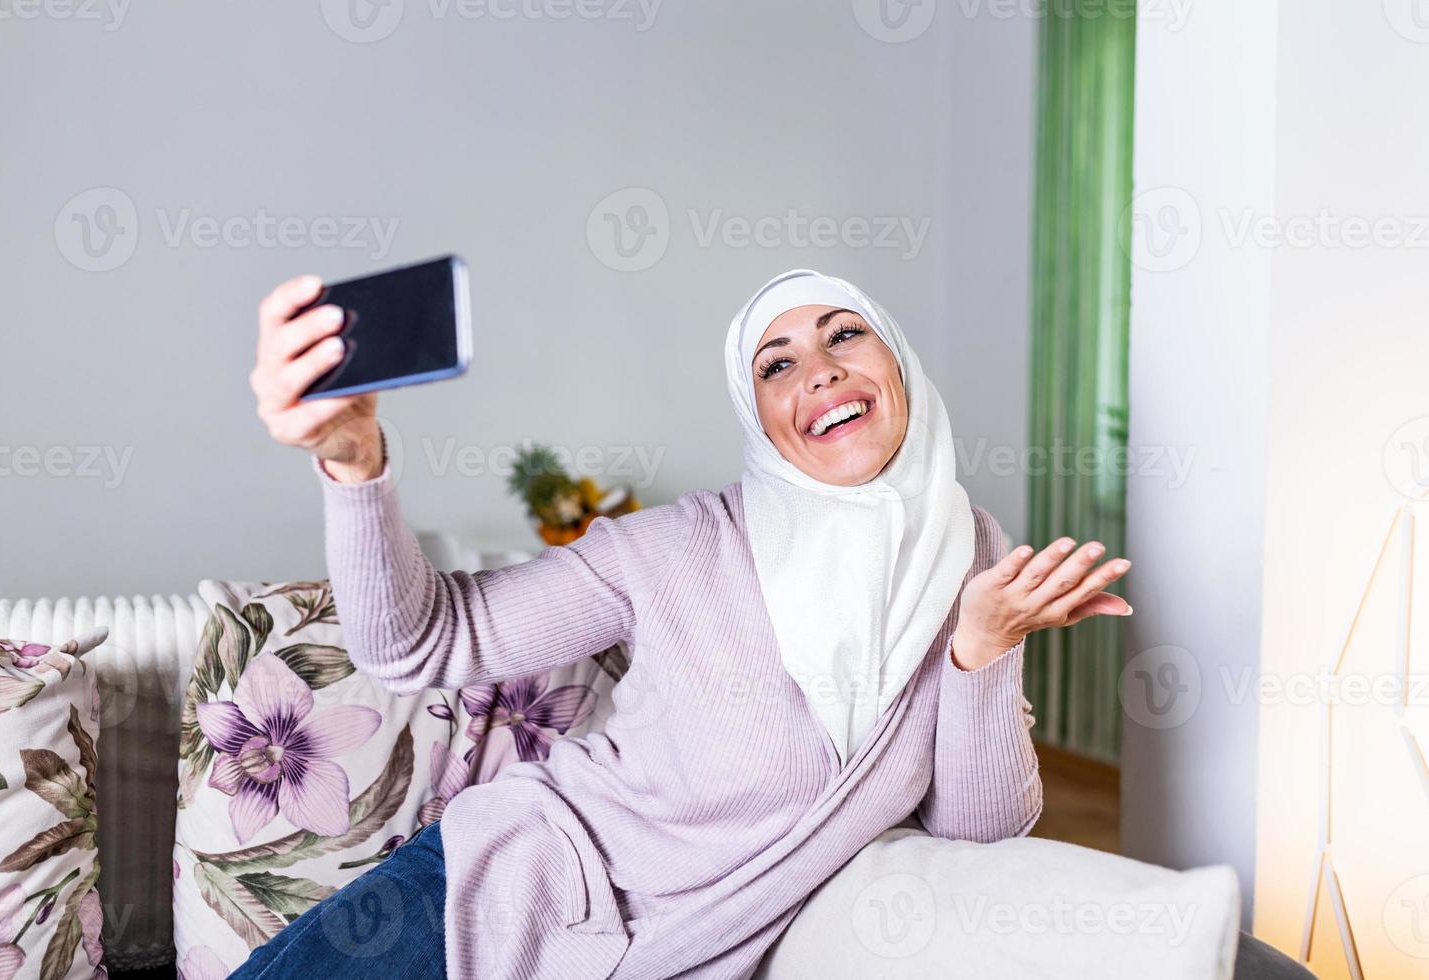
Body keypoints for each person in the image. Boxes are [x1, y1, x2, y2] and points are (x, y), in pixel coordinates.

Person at [236, 268, 1135, 978]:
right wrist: (354, 463)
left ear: (897, 364)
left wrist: (982, 649)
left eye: (845, 334)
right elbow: (419, 643)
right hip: (495, 894)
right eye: (775, 363)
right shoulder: (680, 545)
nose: (818, 368)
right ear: (760, 419)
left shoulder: (971, 552)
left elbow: (979, 831)